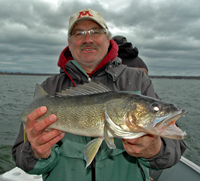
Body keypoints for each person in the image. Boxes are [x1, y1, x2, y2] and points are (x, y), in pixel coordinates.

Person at [12, 8, 186, 181]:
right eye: (79, 33)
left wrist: (155, 150)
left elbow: (174, 151)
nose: (88, 39)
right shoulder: (49, 88)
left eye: (96, 32)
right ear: (69, 43)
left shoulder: (138, 79)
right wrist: (36, 153)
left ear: (108, 39)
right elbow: (23, 160)